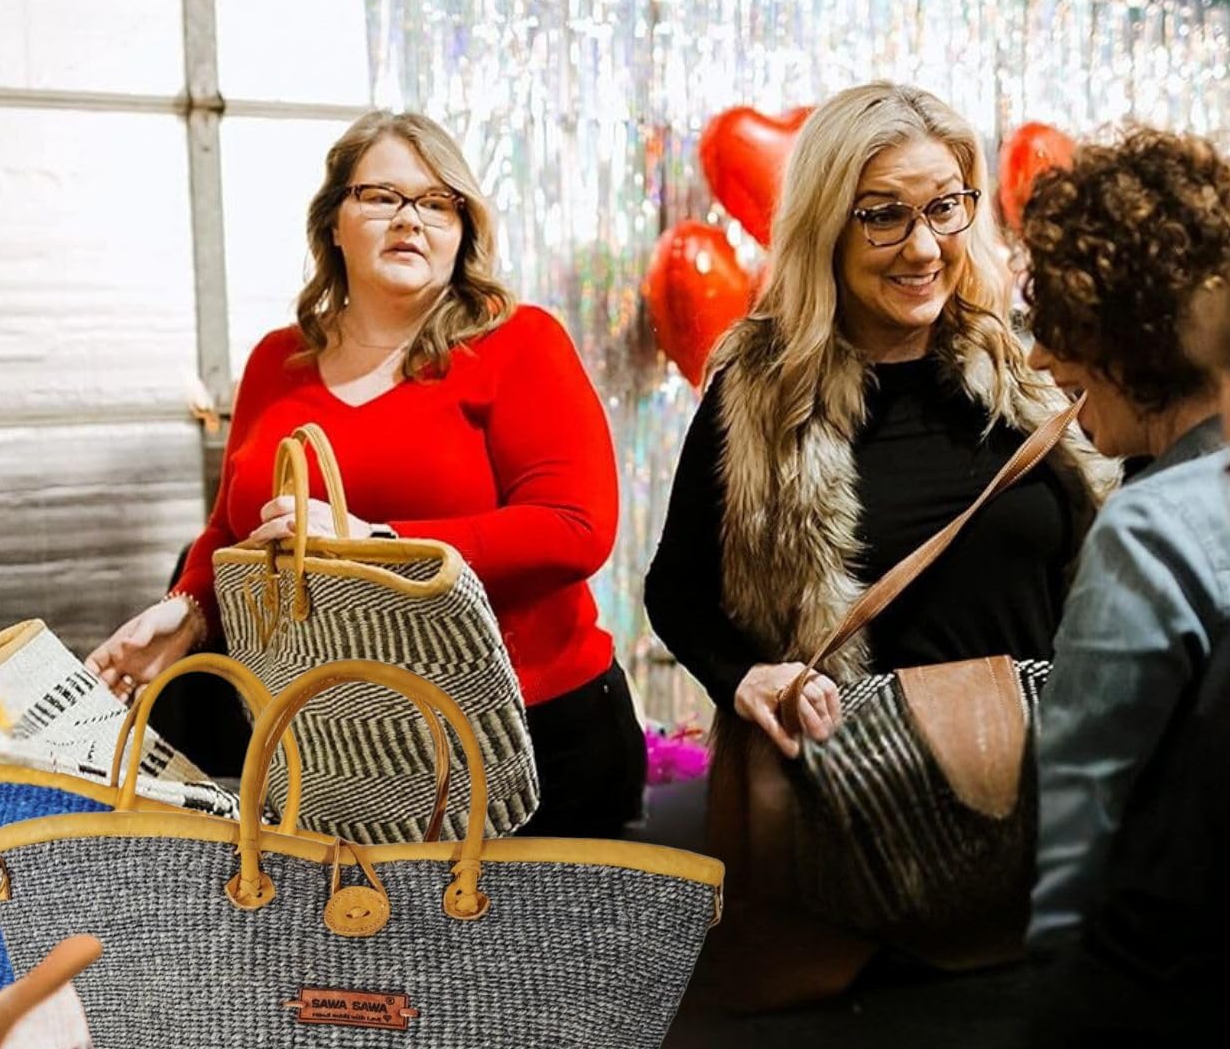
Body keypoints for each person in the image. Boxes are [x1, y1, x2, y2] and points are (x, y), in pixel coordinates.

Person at [839, 127, 1230, 1049]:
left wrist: (1051, 1046)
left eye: (1058, 330)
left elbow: (1085, 814)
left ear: (1108, 337)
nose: (1044, 356)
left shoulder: (1156, 531)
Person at [645, 82, 1106, 997]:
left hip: (1045, 846)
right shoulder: (758, 388)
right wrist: (749, 676)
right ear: (827, 221)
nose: (923, 245)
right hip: (853, 850)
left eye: (943, 207)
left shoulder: (1024, 370)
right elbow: (677, 586)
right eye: (883, 216)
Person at [86, 110, 646, 838]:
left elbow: (573, 531)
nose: (409, 219)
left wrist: (371, 541)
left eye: (436, 202)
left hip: (519, 741)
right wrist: (188, 611)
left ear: (462, 230)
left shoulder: (518, 344)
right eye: (381, 196)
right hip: (326, 746)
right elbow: (234, 527)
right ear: (334, 221)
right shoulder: (274, 362)